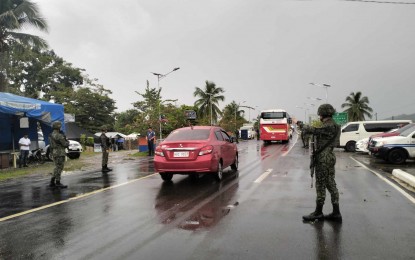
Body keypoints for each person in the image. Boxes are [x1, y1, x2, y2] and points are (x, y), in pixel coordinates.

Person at [302, 104, 342, 222]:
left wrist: (303, 126)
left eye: (320, 114)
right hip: (328, 156)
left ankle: (318, 212)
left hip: (323, 157)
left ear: (322, 113)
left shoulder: (330, 125)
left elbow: (315, 130)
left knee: (321, 184)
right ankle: (336, 212)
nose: (319, 116)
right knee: (330, 183)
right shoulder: (334, 124)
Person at [48, 121, 69, 188]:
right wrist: (67, 140)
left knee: (56, 167)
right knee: (59, 167)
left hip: (54, 152)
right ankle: (58, 182)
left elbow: (50, 146)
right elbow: (65, 144)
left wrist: (51, 153)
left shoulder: (50, 135)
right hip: (60, 152)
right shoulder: (59, 135)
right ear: (58, 127)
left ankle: (52, 182)